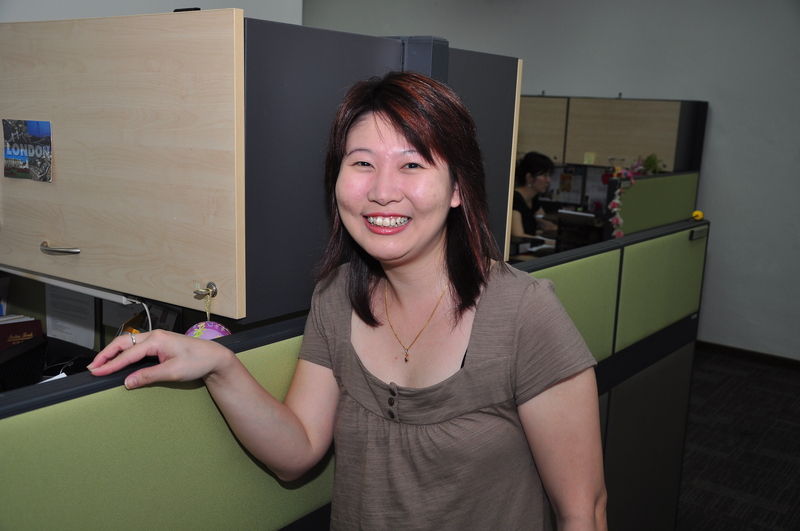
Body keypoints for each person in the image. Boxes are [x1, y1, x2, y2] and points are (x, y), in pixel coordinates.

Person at [88, 72, 607, 530]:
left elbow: (583, 512)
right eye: (362, 162)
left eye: (412, 164)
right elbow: (296, 452)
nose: (382, 191)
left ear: (457, 189)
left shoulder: (523, 312)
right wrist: (220, 365)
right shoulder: (336, 296)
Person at [511, 151, 558, 239]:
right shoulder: (515, 199)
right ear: (529, 177)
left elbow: (548, 226)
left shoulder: (532, 199)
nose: (548, 180)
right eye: (545, 175)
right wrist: (549, 242)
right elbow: (518, 235)